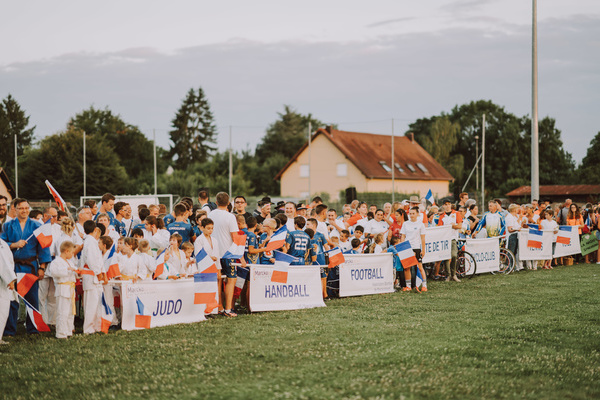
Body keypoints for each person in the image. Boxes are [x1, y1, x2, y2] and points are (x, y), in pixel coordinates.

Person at [1, 198, 52, 336]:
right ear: (15, 209)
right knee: (12, 298)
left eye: (26, 208)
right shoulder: (8, 226)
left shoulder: (37, 226)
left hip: (31, 267)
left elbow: (44, 248)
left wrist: (42, 267)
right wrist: (14, 244)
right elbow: (2, 244)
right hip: (13, 266)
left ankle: (32, 328)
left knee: (32, 299)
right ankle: (9, 329)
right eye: (21, 208)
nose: (24, 210)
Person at [208, 192, 241, 317]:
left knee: (218, 281)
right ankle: (228, 309)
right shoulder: (230, 216)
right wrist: (240, 256)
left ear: (216, 202)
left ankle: (220, 307)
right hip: (228, 253)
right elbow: (235, 236)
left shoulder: (211, 214)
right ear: (228, 203)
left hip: (214, 253)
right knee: (231, 280)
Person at [47, 240, 77, 339]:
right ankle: (60, 333)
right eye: (72, 252)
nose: (73, 255)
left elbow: (74, 273)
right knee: (62, 311)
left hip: (71, 288)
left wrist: (78, 272)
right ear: (66, 251)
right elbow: (54, 272)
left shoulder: (70, 262)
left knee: (70, 312)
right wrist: (67, 270)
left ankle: (68, 330)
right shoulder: (56, 262)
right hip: (62, 288)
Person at [80, 220, 104, 334]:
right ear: (95, 230)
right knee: (90, 303)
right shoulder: (90, 242)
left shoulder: (91, 241)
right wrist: (98, 272)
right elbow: (91, 260)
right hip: (91, 274)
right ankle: (88, 328)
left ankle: (94, 326)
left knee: (95, 302)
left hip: (92, 273)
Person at [399, 206, 428, 291]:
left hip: (416, 247)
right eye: (410, 213)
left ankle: (424, 285)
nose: (411, 215)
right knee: (407, 267)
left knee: (419, 266)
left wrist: (423, 250)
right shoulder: (405, 224)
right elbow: (403, 236)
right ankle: (408, 286)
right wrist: (402, 247)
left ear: (417, 214)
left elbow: (423, 238)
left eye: (413, 213)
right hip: (407, 247)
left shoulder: (420, 224)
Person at [438, 199, 463, 282]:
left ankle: (454, 274)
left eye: (449, 204)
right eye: (446, 204)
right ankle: (448, 275)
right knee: (446, 257)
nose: (447, 205)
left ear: (451, 205)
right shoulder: (442, 216)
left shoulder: (456, 213)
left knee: (454, 255)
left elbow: (459, 226)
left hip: (453, 238)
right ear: (443, 206)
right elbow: (439, 228)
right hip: (445, 239)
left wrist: (453, 226)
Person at [0, 230, 17, 344]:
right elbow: (3, 263)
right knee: (2, 309)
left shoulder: (2, 243)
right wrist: (10, 279)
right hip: (3, 281)